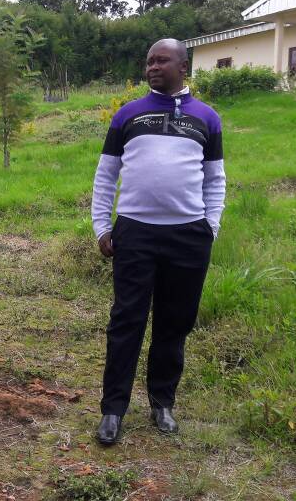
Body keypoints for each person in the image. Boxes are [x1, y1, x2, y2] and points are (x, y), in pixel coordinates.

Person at [91, 39, 226, 445]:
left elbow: (215, 179)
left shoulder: (207, 119)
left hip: (188, 237)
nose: (152, 67)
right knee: (126, 321)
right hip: (135, 233)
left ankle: (162, 402)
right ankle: (113, 409)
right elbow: (106, 174)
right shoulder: (128, 115)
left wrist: (210, 227)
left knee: (174, 322)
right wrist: (102, 227)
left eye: (161, 61)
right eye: (149, 61)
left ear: (183, 67)